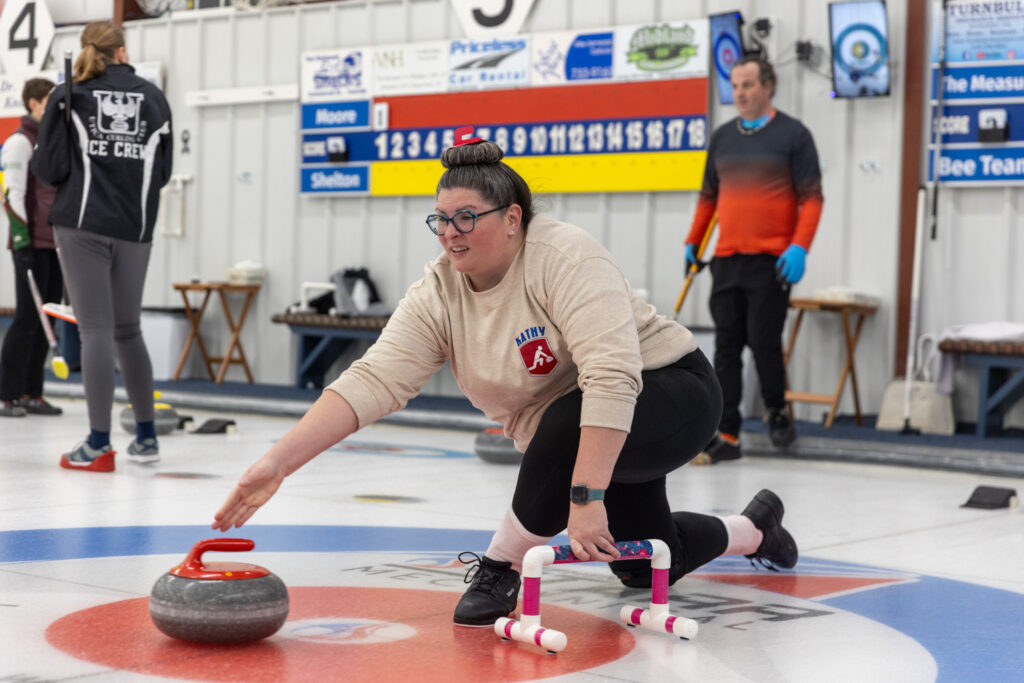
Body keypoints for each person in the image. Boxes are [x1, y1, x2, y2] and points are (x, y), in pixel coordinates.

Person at [212, 130, 798, 628]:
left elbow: (613, 377)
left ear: (513, 218)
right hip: (588, 429)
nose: (449, 232)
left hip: (671, 392)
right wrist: (277, 462)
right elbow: (375, 378)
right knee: (639, 567)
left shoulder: (563, 256)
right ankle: (755, 529)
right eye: (440, 220)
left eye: (466, 217)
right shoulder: (438, 291)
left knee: (569, 421)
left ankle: (500, 567)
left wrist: (587, 496)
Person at [32, 21, 173, 471]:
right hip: (135, 226)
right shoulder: (153, 97)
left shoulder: (68, 95)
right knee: (127, 330)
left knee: (94, 330)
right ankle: (147, 438)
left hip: (82, 223)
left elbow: (49, 169)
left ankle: (98, 444)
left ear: (85, 50)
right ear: (122, 50)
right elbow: (164, 172)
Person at [684, 57, 823, 464]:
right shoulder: (723, 137)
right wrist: (694, 240)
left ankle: (777, 410)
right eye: (735, 86)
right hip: (727, 259)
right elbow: (709, 196)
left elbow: (812, 198)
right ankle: (727, 432)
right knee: (726, 348)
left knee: (764, 342)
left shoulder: (794, 135)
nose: (740, 93)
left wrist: (800, 247)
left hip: (772, 262)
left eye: (747, 85)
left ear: (768, 86)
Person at [0, 78, 65, 419]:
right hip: (30, 244)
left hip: (54, 243)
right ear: (34, 104)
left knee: (47, 321)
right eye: (48, 101)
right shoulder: (19, 143)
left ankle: (32, 392)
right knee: (27, 319)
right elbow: (11, 194)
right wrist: (22, 240)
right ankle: (8, 394)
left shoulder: (50, 141)